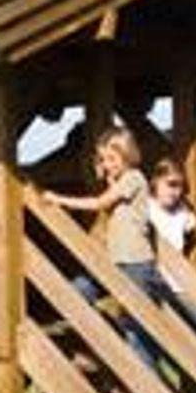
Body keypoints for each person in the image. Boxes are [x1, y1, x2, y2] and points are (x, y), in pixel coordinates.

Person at [44, 126, 165, 365]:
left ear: (127, 155)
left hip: (136, 264)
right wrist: (107, 176)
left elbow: (99, 203)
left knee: (137, 329)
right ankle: (102, 337)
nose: (107, 164)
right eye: (103, 159)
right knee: (77, 291)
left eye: (112, 159)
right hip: (115, 261)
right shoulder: (120, 181)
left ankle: (144, 376)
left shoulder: (134, 178)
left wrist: (58, 199)